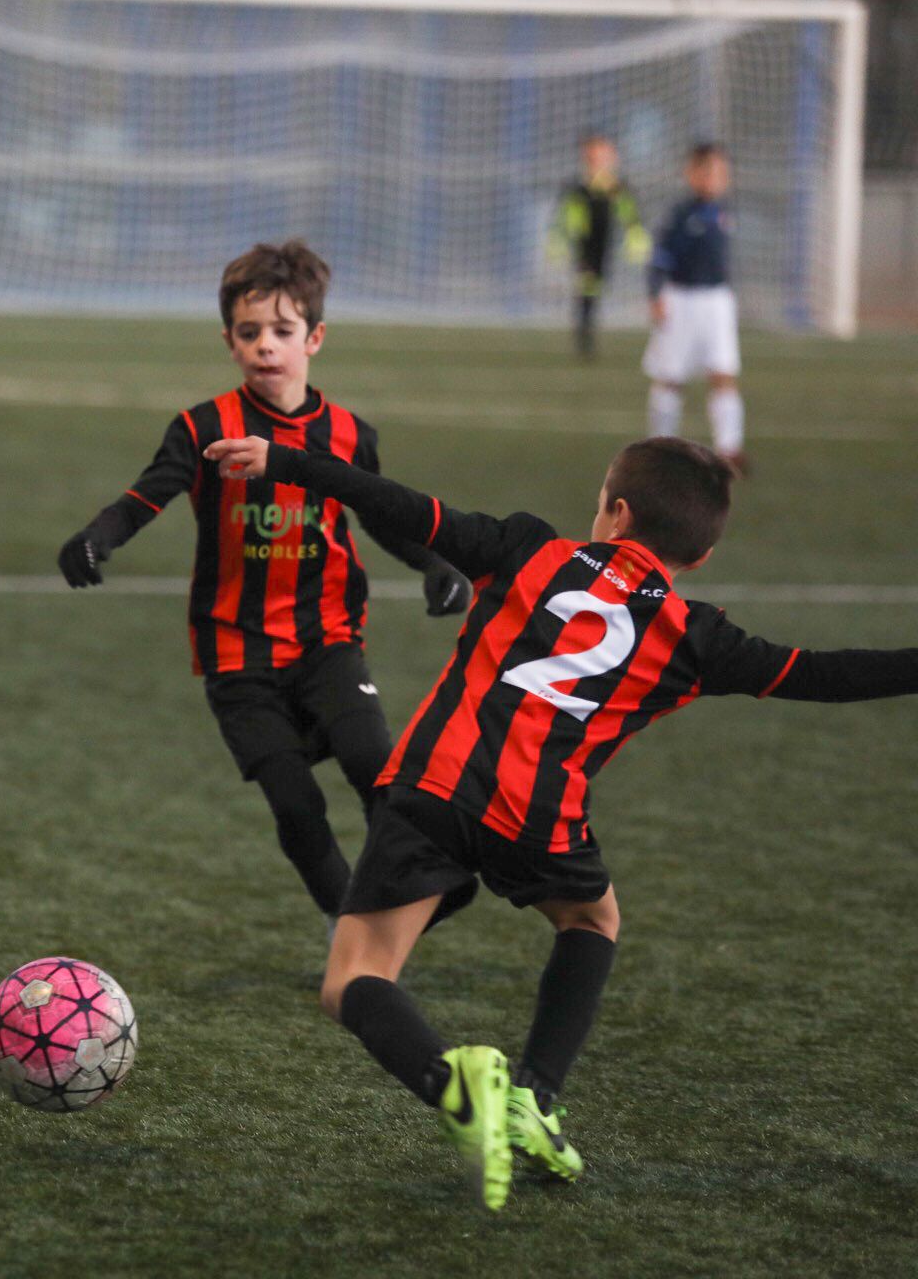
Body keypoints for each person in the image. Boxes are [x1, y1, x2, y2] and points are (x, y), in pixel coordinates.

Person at [202, 430, 918, 1210]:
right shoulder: (695, 636)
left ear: (614, 512)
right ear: (700, 557)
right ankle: (534, 1097)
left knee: (356, 978)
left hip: (436, 786)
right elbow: (822, 674)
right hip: (540, 819)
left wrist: (289, 463)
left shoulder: (529, 550)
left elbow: (401, 507)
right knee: (591, 919)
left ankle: (457, 1086)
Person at [57, 240, 470, 929]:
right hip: (236, 653)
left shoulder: (346, 434)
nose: (266, 346)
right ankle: (354, 924)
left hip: (328, 638)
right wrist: (97, 536)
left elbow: (381, 516)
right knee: (294, 801)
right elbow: (144, 499)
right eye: (250, 333)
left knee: (374, 759)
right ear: (229, 341)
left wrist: (434, 564)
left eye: (282, 331)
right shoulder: (201, 428)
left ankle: (421, 871)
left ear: (315, 337)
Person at [644, 142, 748, 475]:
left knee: (723, 374)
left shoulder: (723, 211)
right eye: (708, 171)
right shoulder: (679, 215)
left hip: (716, 301)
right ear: (692, 174)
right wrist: (656, 295)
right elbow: (658, 258)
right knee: (670, 378)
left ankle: (729, 448)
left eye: (720, 172)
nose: (715, 178)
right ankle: (658, 448)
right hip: (681, 300)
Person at [550, 132, 649, 358]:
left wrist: (635, 236)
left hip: (605, 242)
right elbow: (565, 213)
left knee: (596, 286)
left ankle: (586, 328)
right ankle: (585, 333)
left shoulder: (616, 188)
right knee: (587, 285)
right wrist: (560, 240)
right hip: (584, 243)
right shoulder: (579, 188)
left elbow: (629, 213)